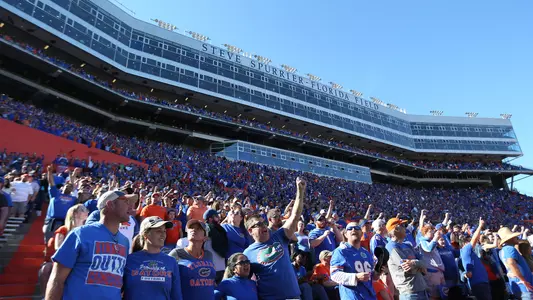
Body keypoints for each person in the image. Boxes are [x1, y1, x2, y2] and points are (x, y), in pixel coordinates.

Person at [46, 190, 137, 300]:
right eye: (126, 202)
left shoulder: (124, 241)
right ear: (110, 204)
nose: (131, 206)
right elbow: (57, 279)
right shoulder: (80, 234)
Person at [243, 177, 307, 300]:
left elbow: (294, 216)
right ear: (250, 231)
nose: (264, 226)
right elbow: (244, 281)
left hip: (293, 296)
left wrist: (300, 190)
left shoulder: (278, 236)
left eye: (264, 223)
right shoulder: (248, 253)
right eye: (258, 224)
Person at [123, 216, 182, 300]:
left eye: (164, 231)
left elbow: (176, 296)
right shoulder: (129, 260)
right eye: (158, 231)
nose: (163, 235)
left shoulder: (171, 261)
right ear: (145, 234)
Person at [169, 220, 216, 300]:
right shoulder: (176, 253)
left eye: (198, 229)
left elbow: (211, 281)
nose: (194, 230)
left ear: (205, 237)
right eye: (191, 228)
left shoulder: (209, 255)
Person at [330, 222, 377, 300]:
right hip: (352, 296)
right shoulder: (341, 251)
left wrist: (378, 273)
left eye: (357, 228)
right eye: (350, 228)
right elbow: (334, 275)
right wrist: (355, 277)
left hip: (369, 295)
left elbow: (371, 277)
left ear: (361, 233)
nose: (353, 229)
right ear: (345, 234)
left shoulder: (366, 252)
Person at [385, 217, 428, 300]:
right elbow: (408, 269)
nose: (405, 228)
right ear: (396, 229)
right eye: (403, 225)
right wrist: (419, 265)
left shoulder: (407, 245)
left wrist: (414, 263)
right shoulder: (391, 247)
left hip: (422, 288)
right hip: (409, 292)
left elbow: (425, 262)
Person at [43, 165, 77, 243]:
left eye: (70, 187)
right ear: (62, 187)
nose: (69, 187)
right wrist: (49, 172)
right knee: (49, 238)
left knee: (62, 240)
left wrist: (73, 176)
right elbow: (51, 183)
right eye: (67, 185)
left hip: (65, 221)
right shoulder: (55, 193)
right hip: (52, 220)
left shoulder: (73, 198)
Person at [460, 218, 491, 300]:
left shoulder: (469, 252)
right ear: (465, 243)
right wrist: (480, 226)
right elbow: (474, 239)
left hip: (481, 283)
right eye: (468, 241)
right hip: (479, 284)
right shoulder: (466, 249)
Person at [498, 226, 533, 299]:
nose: (516, 237)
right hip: (524, 287)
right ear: (510, 238)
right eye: (514, 237)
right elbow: (511, 263)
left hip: (519, 287)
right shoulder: (509, 248)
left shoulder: (502, 251)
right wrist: (523, 280)